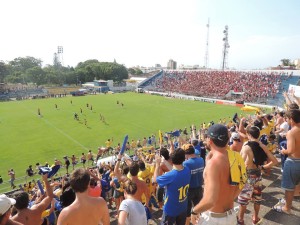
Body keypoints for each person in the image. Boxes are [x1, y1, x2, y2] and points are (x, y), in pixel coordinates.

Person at [190, 124, 242, 225]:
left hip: (215, 219)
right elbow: (241, 184)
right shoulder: (235, 157)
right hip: (230, 216)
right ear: (227, 140)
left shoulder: (213, 164)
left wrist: (194, 211)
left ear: (210, 141)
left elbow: (210, 200)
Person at [237, 126, 278, 225]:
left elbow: (240, 164)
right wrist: (263, 167)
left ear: (249, 135)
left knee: (243, 201)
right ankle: (255, 218)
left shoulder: (246, 146)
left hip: (247, 176)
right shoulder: (262, 146)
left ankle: (241, 220)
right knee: (257, 199)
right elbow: (275, 161)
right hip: (258, 176)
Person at [154, 148, 191, 225]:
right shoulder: (187, 169)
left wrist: (157, 164)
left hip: (170, 209)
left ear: (171, 160)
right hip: (183, 207)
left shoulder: (170, 175)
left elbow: (155, 180)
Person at [273, 109, 300, 214]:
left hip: (293, 162)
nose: (287, 121)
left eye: (288, 119)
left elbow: (290, 150)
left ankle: (287, 208)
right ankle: (287, 204)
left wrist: (283, 151)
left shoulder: (291, 132)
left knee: (289, 187)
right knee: (296, 184)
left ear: (292, 120)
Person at [182, 144, 204, 225]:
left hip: (189, 190)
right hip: (199, 188)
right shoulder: (201, 160)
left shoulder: (186, 163)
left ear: (186, 154)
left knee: (187, 212)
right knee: (198, 209)